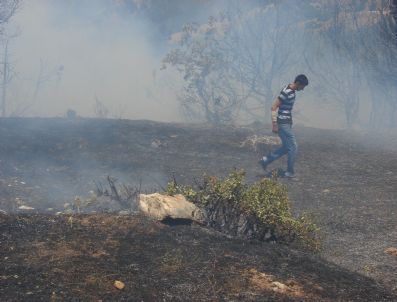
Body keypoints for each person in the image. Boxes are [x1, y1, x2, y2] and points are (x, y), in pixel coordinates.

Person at [259, 74, 309, 178]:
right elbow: (273, 107)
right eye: (303, 86)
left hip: (286, 122)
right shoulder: (287, 91)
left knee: (287, 147)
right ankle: (290, 172)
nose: (303, 89)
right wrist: (274, 124)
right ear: (298, 83)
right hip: (283, 123)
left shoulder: (291, 90)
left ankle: (266, 160)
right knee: (294, 147)